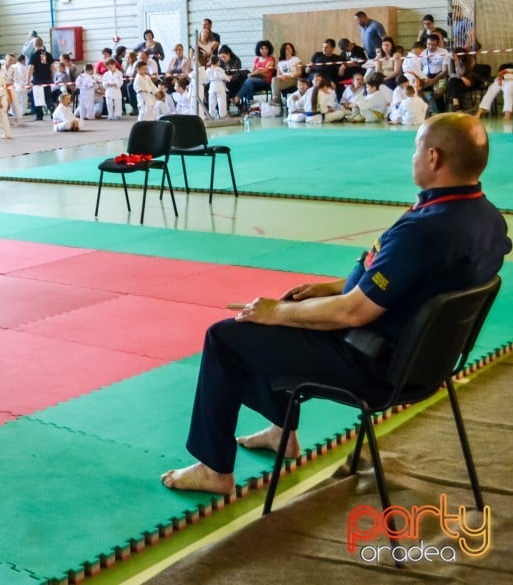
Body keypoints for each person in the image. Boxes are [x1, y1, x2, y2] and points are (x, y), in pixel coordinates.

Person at [161, 112, 511, 494]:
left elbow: (353, 312)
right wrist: (333, 287)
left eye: (416, 148)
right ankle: (282, 432)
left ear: (433, 158)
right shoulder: (487, 219)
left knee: (228, 336)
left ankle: (214, 469)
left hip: (373, 364)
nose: (412, 158)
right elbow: (406, 282)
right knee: (284, 315)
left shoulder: (425, 229)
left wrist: (276, 312)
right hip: (428, 362)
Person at [28, 37, 55, 120]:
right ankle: (53, 113)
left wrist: (28, 80)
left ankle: (39, 116)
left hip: (38, 80)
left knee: (38, 97)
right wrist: (52, 78)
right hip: (47, 79)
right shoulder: (47, 54)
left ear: (34, 45)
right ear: (42, 44)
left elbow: (31, 68)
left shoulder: (33, 56)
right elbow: (53, 68)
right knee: (48, 97)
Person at [205, 55, 230, 119]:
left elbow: (206, 80)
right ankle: (222, 115)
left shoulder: (208, 70)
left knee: (212, 102)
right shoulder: (220, 70)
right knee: (221, 101)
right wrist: (228, 79)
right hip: (219, 86)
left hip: (212, 86)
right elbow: (224, 77)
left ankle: (211, 115)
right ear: (218, 62)